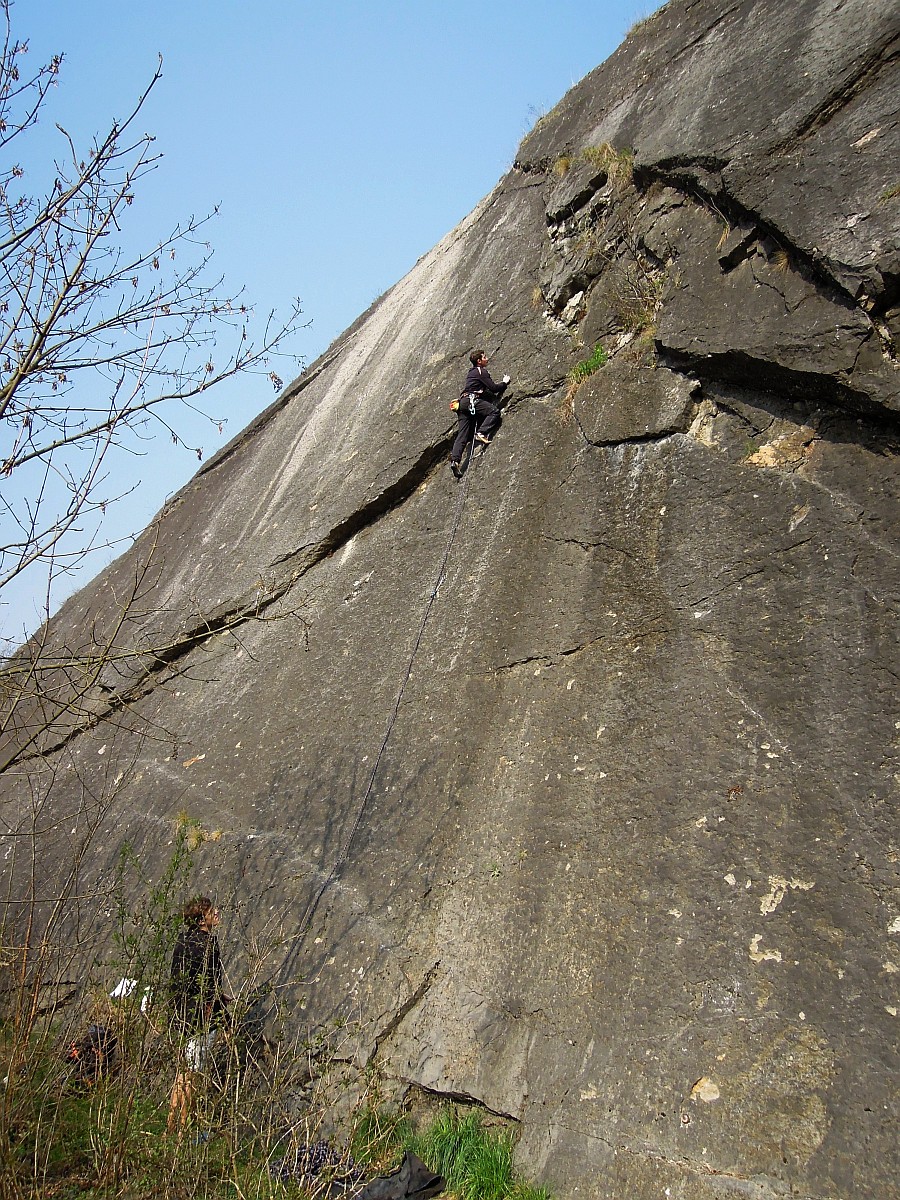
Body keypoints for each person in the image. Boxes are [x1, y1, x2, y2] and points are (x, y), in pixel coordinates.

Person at [167, 895, 229, 1134]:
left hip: (183, 1014)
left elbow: (181, 980)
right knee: (193, 1074)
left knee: (184, 1072)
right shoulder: (208, 944)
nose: (217, 913)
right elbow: (211, 986)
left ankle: (171, 1126)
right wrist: (226, 1020)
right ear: (202, 918)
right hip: (202, 1018)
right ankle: (185, 1127)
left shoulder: (183, 941)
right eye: (213, 910)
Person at [449, 350, 510, 477]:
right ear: (479, 361)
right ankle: (481, 432)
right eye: (484, 357)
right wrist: (504, 382)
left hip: (462, 404)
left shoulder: (471, 373)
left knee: (463, 434)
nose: (487, 359)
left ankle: (455, 461)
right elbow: (493, 388)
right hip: (472, 401)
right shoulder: (480, 371)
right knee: (494, 412)